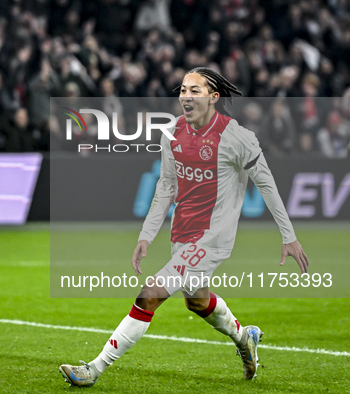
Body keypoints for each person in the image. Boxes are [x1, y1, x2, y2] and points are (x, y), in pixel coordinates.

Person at [59, 67, 309, 387]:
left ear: (213, 97)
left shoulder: (235, 137)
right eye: (182, 90)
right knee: (197, 301)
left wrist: (289, 236)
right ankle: (245, 337)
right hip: (183, 231)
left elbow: (267, 184)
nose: (185, 96)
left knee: (149, 295)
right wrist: (147, 234)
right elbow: (166, 186)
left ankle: (92, 369)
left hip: (213, 236)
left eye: (194, 90)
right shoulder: (174, 131)